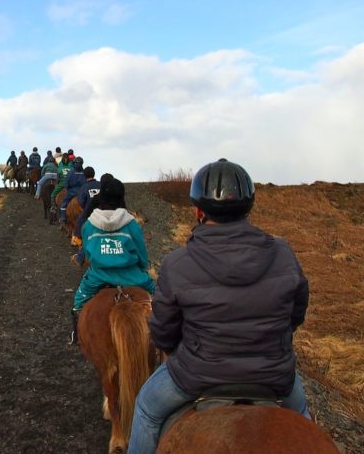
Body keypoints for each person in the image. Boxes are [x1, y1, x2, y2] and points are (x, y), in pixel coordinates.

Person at [128, 159, 311, 454]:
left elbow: (163, 332)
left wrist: (181, 350)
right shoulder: (284, 253)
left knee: (146, 409)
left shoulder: (177, 264)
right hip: (273, 374)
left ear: (199, 211)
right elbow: (296, 313)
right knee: (305, 422)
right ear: (248, 208)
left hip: (195, 375)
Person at [70, 178, 154, 345]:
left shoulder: (88, 225)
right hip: (133, 276)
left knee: (77, 304)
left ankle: (76, 336)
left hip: (97, 276)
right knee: (162, 300)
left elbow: (87, 252)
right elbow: (142, 254)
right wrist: (143, 268)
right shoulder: (132, 224)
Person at [60, 157, 86, 223]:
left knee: (64, 203)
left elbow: (66, 183)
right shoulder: (84, 173)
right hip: (82, 192)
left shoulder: (71, 172)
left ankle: (63, 217)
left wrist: (66, 188)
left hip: (72, 192)